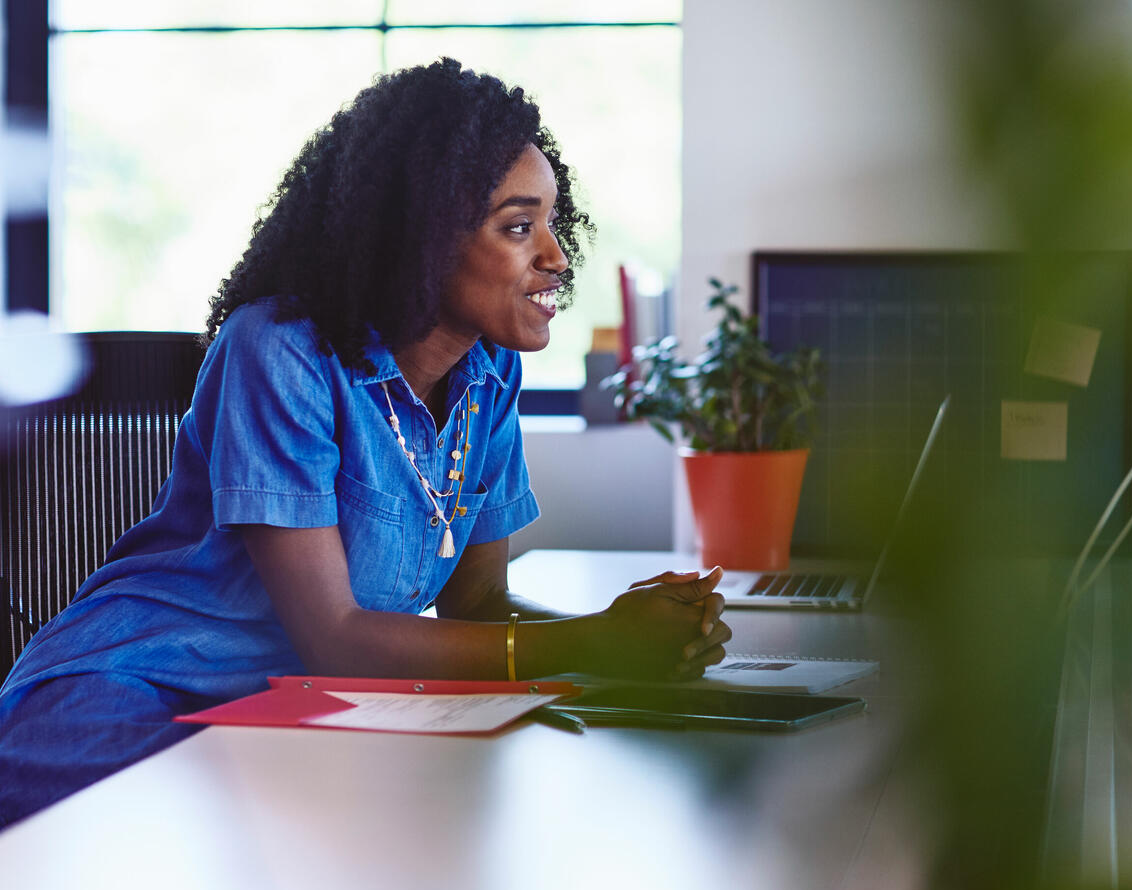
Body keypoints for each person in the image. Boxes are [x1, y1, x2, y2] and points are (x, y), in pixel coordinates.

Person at [0, 59, 730, 827]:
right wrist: (597, 643)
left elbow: (474, 603)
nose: (556, 256)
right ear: (419, 236)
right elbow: (337, 640)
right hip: (131, 698)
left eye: (551, 221)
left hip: (294, 716)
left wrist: (628, 635)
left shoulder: (488, 374)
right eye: (519, 227)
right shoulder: (279, 350)